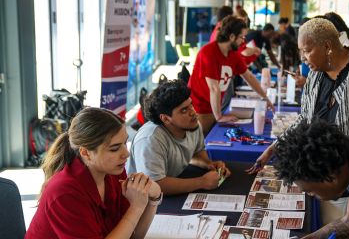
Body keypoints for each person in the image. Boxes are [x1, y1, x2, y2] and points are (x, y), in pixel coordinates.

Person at [250, 17, 349, 171]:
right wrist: (274, 148)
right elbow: (305, 119)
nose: (302, 58)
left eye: (306, 51)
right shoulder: (315, 75)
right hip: (323, 170)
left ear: (327, 47)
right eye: (300, 51)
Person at [26, 107, 161, 238]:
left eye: (125, 143)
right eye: (114, 149)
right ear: (86, 153)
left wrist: (153, 198)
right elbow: (131, 222)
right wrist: (136, 208)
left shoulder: (113, 171)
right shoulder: (65, 193)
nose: (126, 154)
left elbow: (132, 235)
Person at [128, 80, 231, 195]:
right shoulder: (150, 139)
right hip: (142, 199)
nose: (193, 112)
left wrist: (208, 163)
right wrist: (202, 182)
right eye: (184, 110)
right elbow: (155, 185)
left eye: (191, 105)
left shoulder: (193, 124)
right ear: (165, 118)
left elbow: (196, 153)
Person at [188, 16, 274, 134]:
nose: (243, 41)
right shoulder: (208, 52)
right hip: (199, 109)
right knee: (202, 146)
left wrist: (265, 97)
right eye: (241, 37)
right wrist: (219, 116)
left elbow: (248, 76)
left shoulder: (233, 54)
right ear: (232, 36)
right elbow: (214, 88)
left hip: (215, 107)